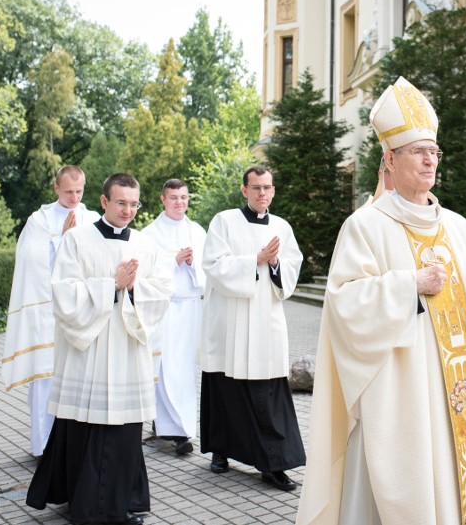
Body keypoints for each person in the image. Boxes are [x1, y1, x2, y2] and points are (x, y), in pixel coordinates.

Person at [296, 77, 466, 525]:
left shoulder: (456, 226)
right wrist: (408, 286)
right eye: (418, 151)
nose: (429, 159)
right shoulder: (365, 226)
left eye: (433, 152)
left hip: (462, 396)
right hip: (403, 398)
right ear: (390, 160)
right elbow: (344, 306)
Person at [26, 173, 174, 525]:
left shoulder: (146, 245)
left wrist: (135, 288)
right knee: (84, 427)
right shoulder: (77, 239)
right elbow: (63, 292)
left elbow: (162, 291)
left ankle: (119, 501)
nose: (128, 210)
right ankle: (90, 506)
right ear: (104, 201)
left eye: (134, 204)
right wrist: (112, 285)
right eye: (121, 202)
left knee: (123, 431)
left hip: (126, 352)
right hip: (88, 355)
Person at [199, 165, 305, 491]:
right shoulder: (224, 221)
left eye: (268, 188)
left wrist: (273, 263)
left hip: (265, 323)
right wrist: (254, 259)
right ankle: (220, 450)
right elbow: (213, 265)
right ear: (244, 190)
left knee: (267, 395)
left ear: (273, 191)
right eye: (256, 187)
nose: (263, 193)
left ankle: (274, 465)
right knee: (223, 389)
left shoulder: (282, 227)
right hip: (229, 321)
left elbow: (290, 267)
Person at [2, 165, 100, 457]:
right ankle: (43, 446)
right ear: (56, 189)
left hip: (80, 311)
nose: (74, 197)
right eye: (68, 191)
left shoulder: (92, 218)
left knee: (78, 377)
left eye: (79, 191)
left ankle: (73, 446)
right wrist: (62, 238)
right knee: (46, 377)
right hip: (48, 312)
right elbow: (32, 261)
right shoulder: (39, 220)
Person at [142, 179, 206, 456]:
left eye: (184, 197)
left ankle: (182, 428)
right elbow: (145, 270)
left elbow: (209, 269)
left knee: (184, 369)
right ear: (163, 199)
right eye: (174, 198)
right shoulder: (150, 234)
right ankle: (168, 427)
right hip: (164, 308)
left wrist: (194, 265)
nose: (180, 202)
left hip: (190, 306)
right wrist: (174, 261)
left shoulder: (197, 231)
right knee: (164, 366)